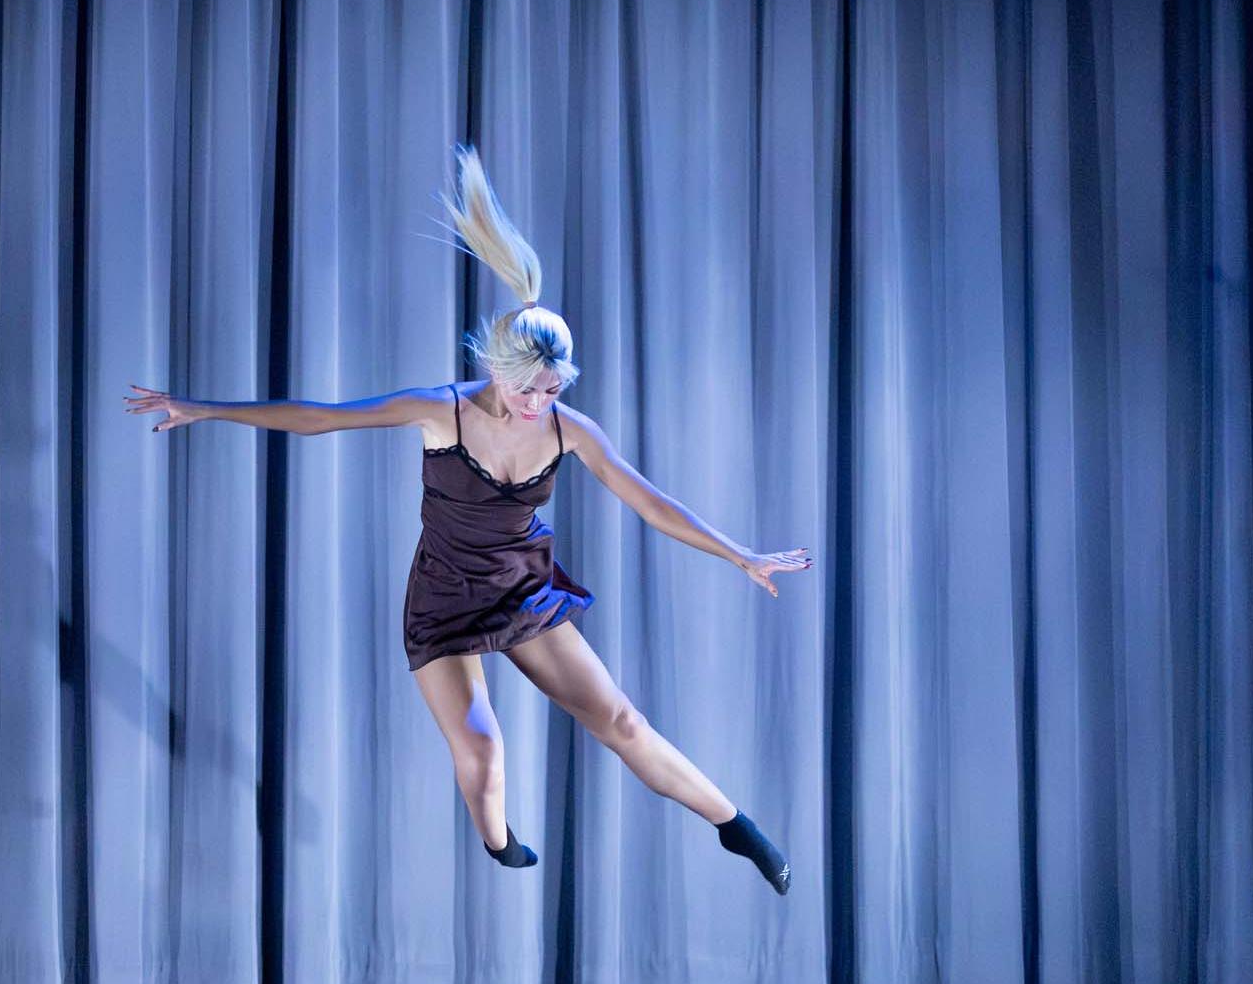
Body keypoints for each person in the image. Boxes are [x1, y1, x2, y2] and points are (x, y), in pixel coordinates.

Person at [124, 144, 810, 893]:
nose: (537, 405)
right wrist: (206, 408)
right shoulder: (440, 411)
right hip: (445, 601)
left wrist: (740, 554)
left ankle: (737, 828)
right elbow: (319, 418)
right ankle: (497, 839)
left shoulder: (568, 430)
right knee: (484, 753)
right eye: (528, 390)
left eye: (551, 392)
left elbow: (649, 500)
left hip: (523, 590)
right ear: (496, 369)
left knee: (621, 723)